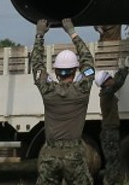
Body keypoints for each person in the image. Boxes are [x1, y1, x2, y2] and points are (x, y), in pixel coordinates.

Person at [32, 17, 95, 185]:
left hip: (49, 155)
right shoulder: (82, 90)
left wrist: (39, 35)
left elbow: (37, 65)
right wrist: (72, 32)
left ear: (57, 72)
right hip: (74, 157)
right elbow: (88, 63)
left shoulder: (48, 91)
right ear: (75, 71)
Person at [94, 66, 129, 185]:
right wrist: (124, 69)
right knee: (113, 161)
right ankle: (110, 182)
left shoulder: (106, 92)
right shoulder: (107, 93)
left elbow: (116, 83)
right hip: (109, 132)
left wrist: (120, 71)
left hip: (109, 131)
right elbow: (118, 83)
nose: (111, 79)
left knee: (113, 160)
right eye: (109, 77)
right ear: (106, 82)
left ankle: (111, 181)